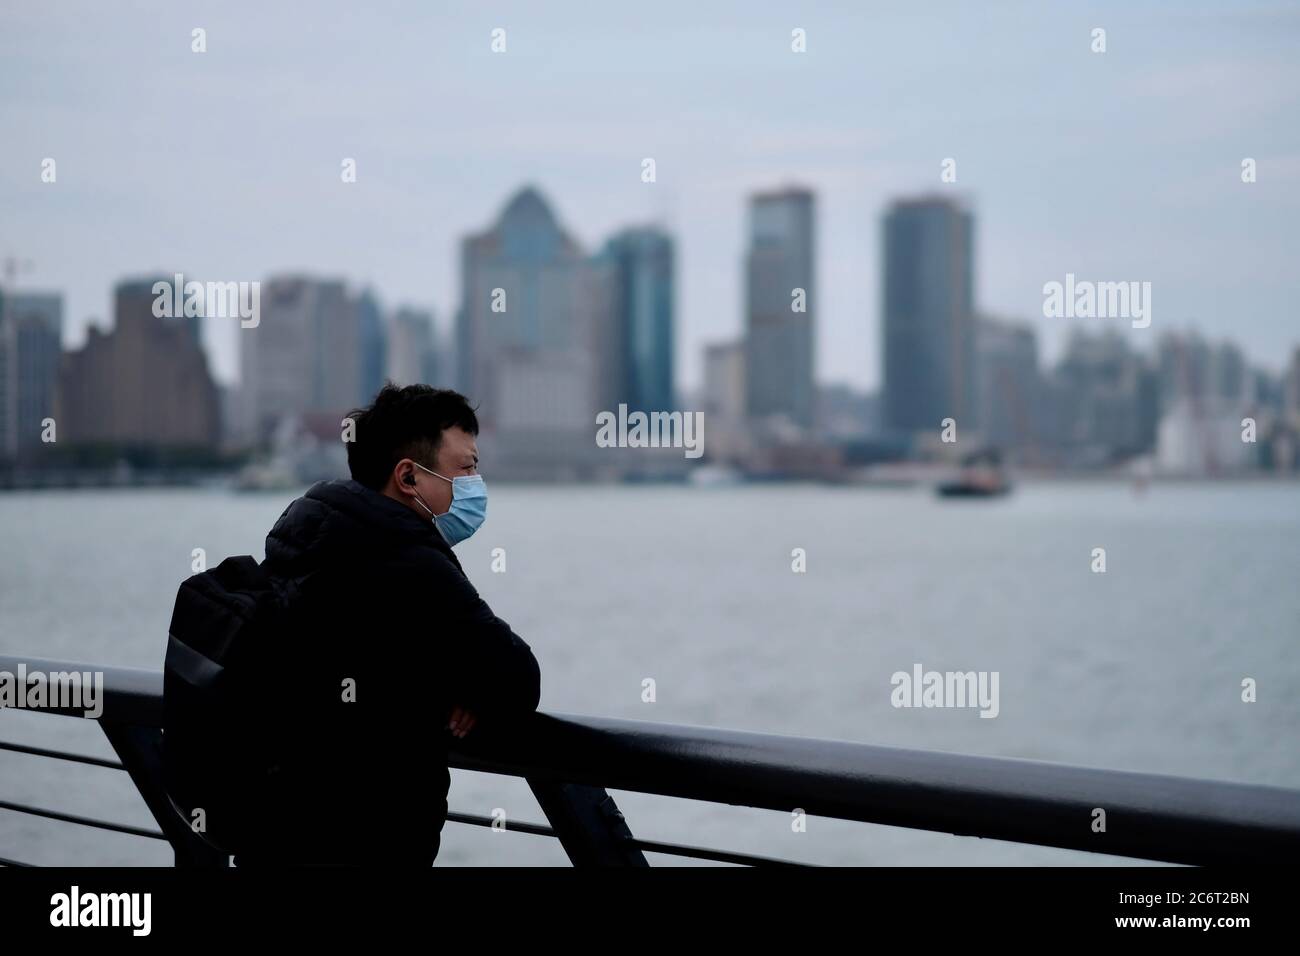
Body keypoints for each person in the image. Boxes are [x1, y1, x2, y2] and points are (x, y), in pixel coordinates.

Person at [234, 384, 541, 866]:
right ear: (408, 477)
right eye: (464, 469)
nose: (475, 483)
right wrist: (468, 688)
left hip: (272, 831)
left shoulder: (307, 534)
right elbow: (520, 679)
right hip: (368, 841)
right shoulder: (411, 561)